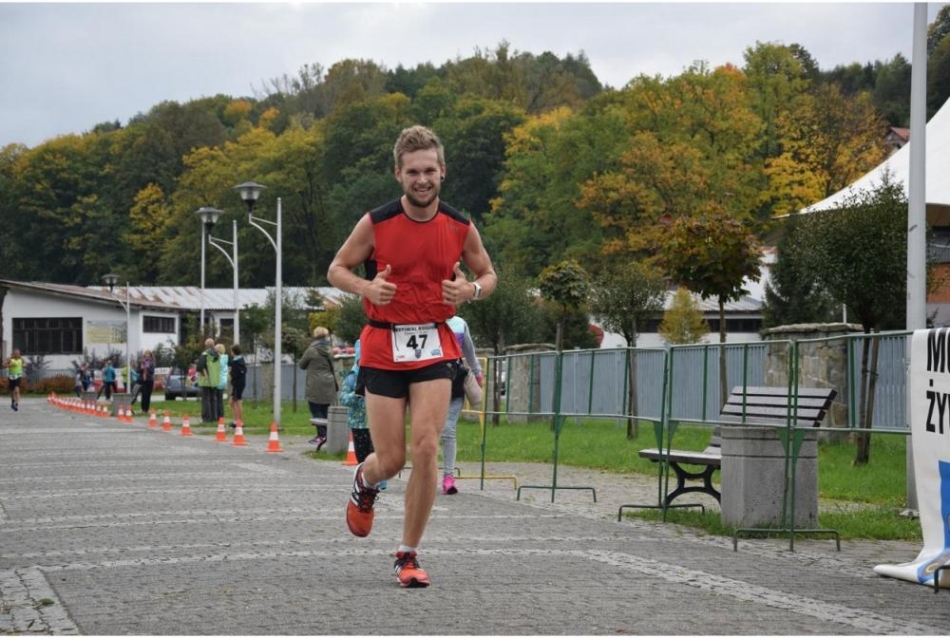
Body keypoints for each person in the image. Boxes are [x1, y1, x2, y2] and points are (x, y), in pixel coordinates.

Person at [327, 124, 497, 588]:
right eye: (412, 172)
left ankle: (408, 553)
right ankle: (366, 483)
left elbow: (488, 274)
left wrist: (471, 290)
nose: (422, 180)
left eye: (429, 171)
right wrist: (366, 287)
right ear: (399, 175)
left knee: (426, 447)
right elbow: (336, 268)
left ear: (442, 172)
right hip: (384, 344)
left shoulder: (460, 225)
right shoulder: (376, 222)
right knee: (392, 459)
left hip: (435, 345)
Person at [440, 315, 484, 495]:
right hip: (429, 382)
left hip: (455, 379)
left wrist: (478, 373)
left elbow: (469, 350)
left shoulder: (460, 323)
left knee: (449, 429)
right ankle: (422, 476)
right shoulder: (427, 320)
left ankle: (448, 477)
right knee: (428, 431)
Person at [298, 326, 338, 449]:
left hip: (315, 383)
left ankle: (321, 435)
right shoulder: (330, 349)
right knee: (326, 409)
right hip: (329, 382)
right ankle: (328, 435)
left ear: (315, 336)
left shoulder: (311, 350)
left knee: (315, 409)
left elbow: (301, 365)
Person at [196, 338, 221, 423]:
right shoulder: (218, 355)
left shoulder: (205, 354)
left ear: (206, 345)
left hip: (206, 380)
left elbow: (199, 367)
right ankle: (214, 417)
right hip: (215, 380)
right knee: (213, 399)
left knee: (206, 399)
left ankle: (207, 418)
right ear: (213, 345)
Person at [228, 344, 247, 428]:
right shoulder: (240, 360)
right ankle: (236, 420)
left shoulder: (236, 362)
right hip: (238, 383)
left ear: (233, 351)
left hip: (237, 384)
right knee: (232, 401)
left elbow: (234, 374)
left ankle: (240, 421)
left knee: (237, 401)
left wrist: (230, 374)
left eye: (231, 350)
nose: (230, 352)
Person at [215, 344, 228, 421]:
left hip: (218, 380)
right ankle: (221, 416)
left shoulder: (219, 359)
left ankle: (218, 416)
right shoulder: (225, 358)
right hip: (223, 380)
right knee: (220, 399)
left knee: (216, 399)